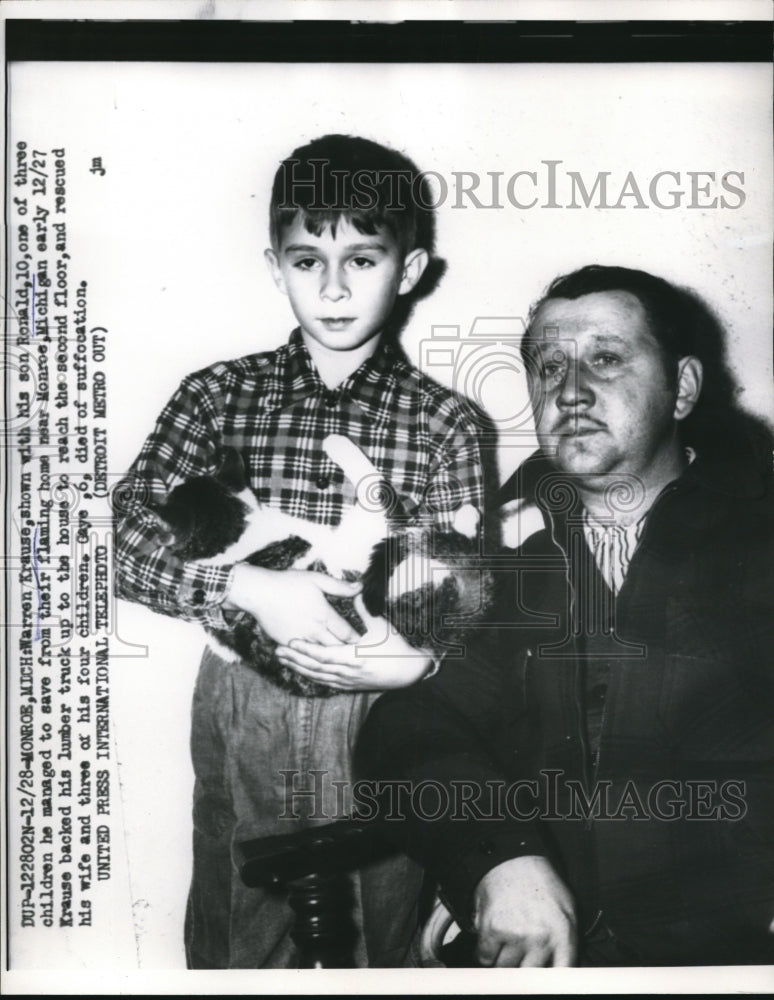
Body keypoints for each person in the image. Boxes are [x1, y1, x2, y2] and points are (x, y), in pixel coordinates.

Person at [113, 134, 489, 968]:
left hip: (381, 711)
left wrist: (419, 663)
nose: (332, 286)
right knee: (241, 921)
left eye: (362, 259)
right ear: (273, 264)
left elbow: (467, 594)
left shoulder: (447, 423)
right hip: (246, 690)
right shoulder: (217, 395)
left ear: (413, 267)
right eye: (306, 258)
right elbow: (117, 534)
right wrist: (246, 586)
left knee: (384, 927)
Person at [356, 264, 774, 967]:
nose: (571, 391)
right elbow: (407, 732)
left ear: (685, 389)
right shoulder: (516, 570)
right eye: (549, 367)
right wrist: (494, 861)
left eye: (606, 359)